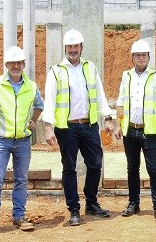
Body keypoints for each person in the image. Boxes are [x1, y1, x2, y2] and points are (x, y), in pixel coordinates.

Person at [43, 29, 114, 226]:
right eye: (70, 47)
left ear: (81, 47)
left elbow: (99, 94)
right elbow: (49, 100)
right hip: (67, 128)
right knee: (69, 167)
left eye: (76, 46)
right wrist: (49, 127)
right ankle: (74, 209)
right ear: (65, 48)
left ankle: (91, 203)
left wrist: (107, 117)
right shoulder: (56, 71)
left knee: (95, 164)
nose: (73, 50)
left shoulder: (90, 67)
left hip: (89, 124)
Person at [0, 46, 44, 232]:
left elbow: (39, 105)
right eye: (12, 63)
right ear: (6, 64)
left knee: (21, 180)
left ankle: (19, 216)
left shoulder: (32, 86)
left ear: (24, 64)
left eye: (19, 63)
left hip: (23, 141)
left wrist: (33, 120)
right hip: (1, 140)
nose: (16, 66)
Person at [114, 40, 156, 224]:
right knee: (132, 169)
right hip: (130, 130)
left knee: (154, 169)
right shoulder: (127, 76)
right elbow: (121, 101)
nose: (141, 58)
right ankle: (133, 203)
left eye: (144, 55)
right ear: (132, 57)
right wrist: (118, 124)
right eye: (137, 55)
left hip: (150, 131)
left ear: (148, 57)